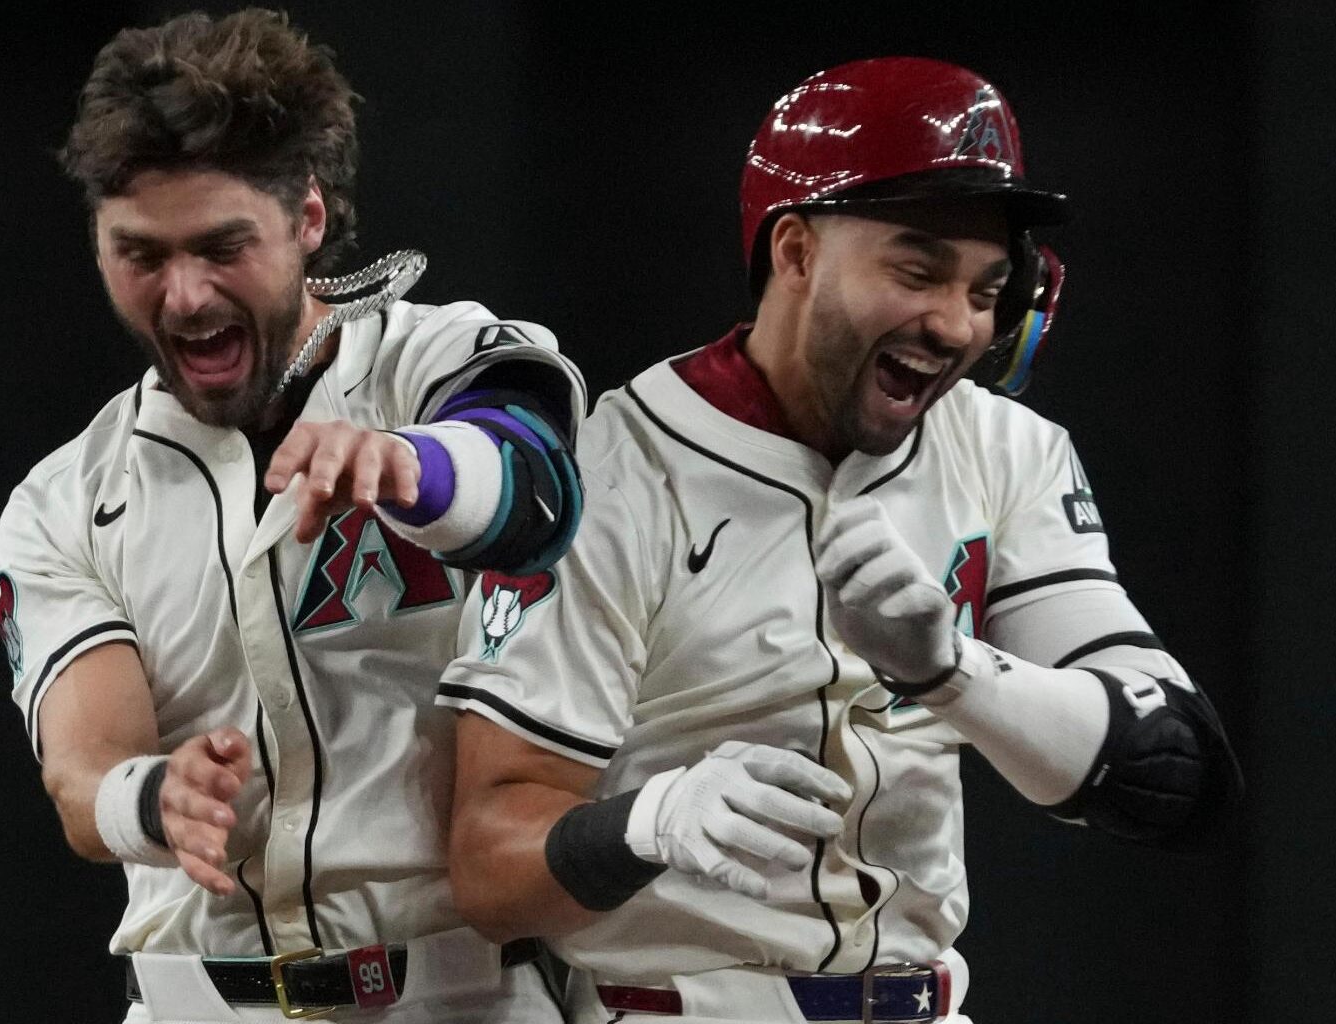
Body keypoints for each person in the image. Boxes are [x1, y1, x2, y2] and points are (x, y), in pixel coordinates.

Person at [439, 57, 1240, 1023]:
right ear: (795, 252)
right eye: (917, 269)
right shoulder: (608, 474)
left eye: (987, 290)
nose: (954, 324)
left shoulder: (1004, 449)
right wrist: (646, 823)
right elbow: (489, 867)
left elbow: (1171, 776)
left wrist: (951, 671)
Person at [0, 9, 585, 1022]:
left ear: (308, 217)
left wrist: (416, 466)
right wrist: (154, 796)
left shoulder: (432, 362)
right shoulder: (65, 499)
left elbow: (533, 489)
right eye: (140, 253)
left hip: (457, 994)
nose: (183, 296)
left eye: (223, 247)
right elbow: (84, 767)